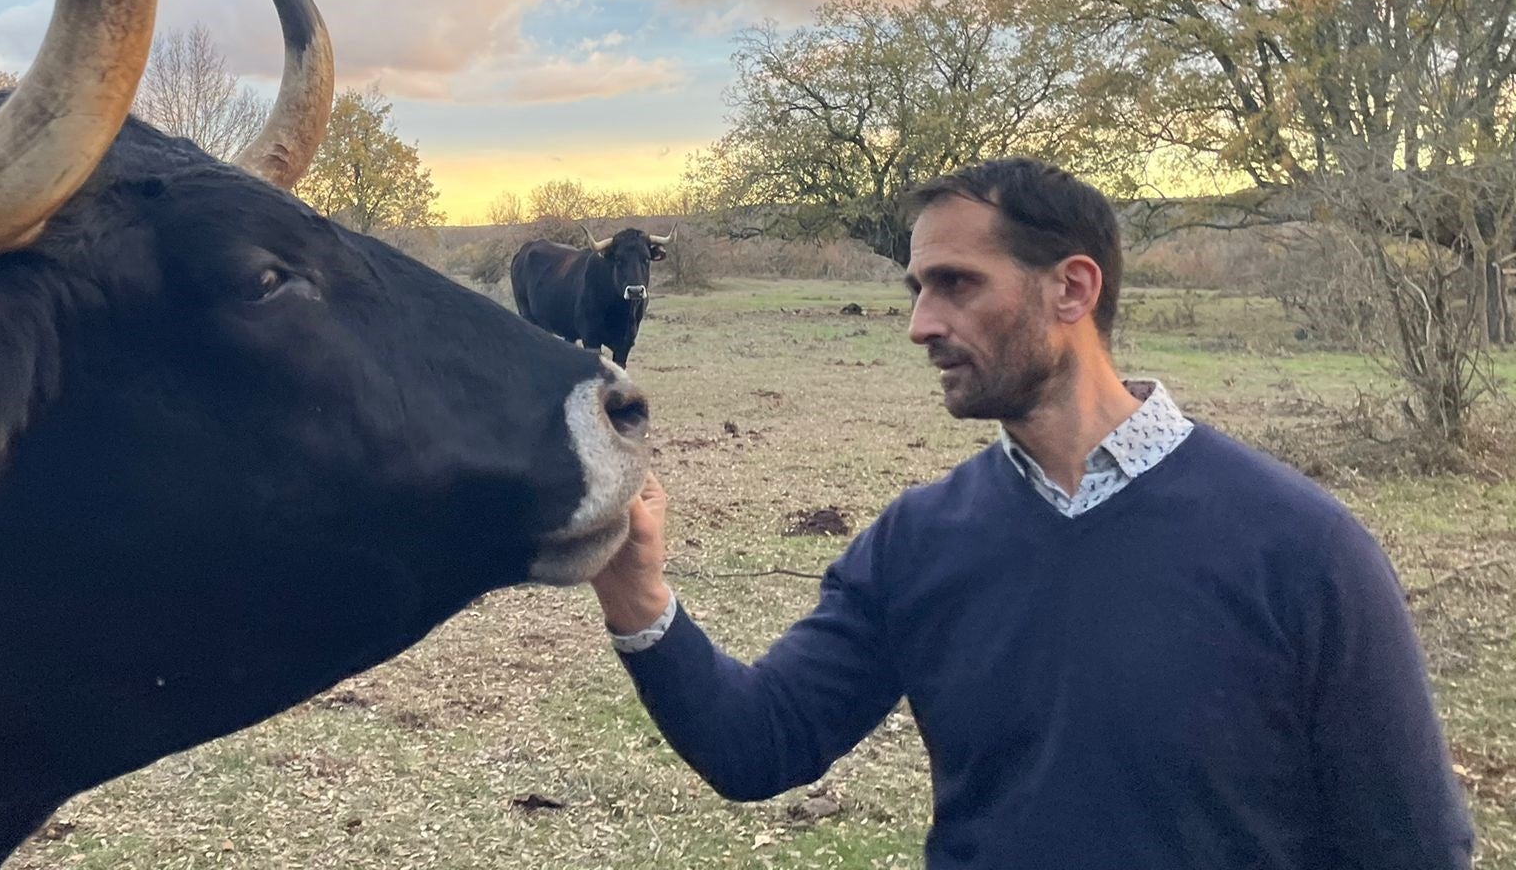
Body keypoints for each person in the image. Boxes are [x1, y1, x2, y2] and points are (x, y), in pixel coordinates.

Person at [590, 156, 1473, 868]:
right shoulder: (918, 543)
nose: (921, 325)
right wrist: (637, 597)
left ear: (1073, 290)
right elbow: (760, 744)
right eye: (917, 290)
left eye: (957, 285)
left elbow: (1415, 845)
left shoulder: (1300, 546)